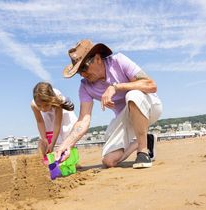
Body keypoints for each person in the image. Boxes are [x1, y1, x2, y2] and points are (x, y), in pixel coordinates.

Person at [56, 39, 162, 169]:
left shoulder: (119, 61)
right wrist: (67, 144)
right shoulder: (85, 87)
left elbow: (151, 85)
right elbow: (83, 119)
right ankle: (146, 138)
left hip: (149, 107)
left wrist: (116, 87)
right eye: (79, 71)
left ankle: (143, 151)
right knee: (109, 161)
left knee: (132, 95)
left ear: (98, 59)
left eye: (84, 67)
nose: (83, 74)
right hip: (126, 119)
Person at [31, 82, 78, 164]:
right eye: (40, 106)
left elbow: (57, 123)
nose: (42, 109)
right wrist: (44, 138)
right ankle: (44, 162)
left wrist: (52, 143)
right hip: (48, 114)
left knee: (66, 133)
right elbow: (40, 121)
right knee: (44, 139)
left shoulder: (57, 99)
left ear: (50, 100)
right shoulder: (34, 104)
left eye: (45, 105)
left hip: (61, 111)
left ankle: (72, 161)